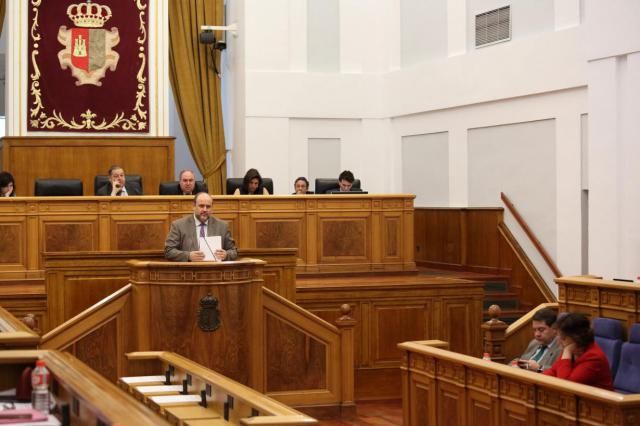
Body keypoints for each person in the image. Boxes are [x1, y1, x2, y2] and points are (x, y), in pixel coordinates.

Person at [544, 313, 613, 390]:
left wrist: (567, 351)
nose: (559, 342)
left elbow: (566, 385)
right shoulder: (572, 349)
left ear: (577, 337)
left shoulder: (593, 357)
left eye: (563, 338)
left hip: (597, 400)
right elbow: (553, 371)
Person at [165, 192, 237, 262]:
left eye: (208, 207)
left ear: (212, 208)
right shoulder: (178, 225)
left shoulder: (222, 226)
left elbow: (234, 252)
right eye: (201, 206)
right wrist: (188, 256)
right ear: (194, 206)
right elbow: (169, 251)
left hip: (214, 270)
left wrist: (226, 255)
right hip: (189, 271)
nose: (205, 210)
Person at [513, 308, 561, 372]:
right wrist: (515, 365)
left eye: (541, 330)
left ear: (554, 328)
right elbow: (521, 361)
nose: (537, 334)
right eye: (534, 330)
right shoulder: (534, 343)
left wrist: (539, 368)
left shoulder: (561, 348)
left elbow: (558, 372)